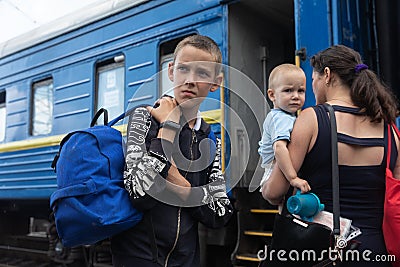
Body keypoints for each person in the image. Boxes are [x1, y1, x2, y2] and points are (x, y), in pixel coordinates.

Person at [262, 44, 399, 266]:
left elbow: (275, 192)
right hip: (376, 252)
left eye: (312, 80)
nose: (311, 89)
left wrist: (267, 178)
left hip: (323, 251)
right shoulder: (389, 128)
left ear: (326, 75)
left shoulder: (313, 119)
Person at [111, 35, 233, 267]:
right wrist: (168, 128)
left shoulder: (208, 137)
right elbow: (140, 193)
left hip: (185, 260)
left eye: (202, 73)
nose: (190, 80)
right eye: (183, 69)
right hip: (138, 258)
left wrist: (181, 185)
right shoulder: (144, 119)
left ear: (216, 82)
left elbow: (221, 213)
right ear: (170, 71)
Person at [258, 63, 310, 193]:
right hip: (277, 169)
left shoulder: (286, 116)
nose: (296, 96)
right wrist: (293, 178)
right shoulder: (280, 118)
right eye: (288, 90)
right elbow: (279, 148)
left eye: (301, 91)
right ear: (272, 95)